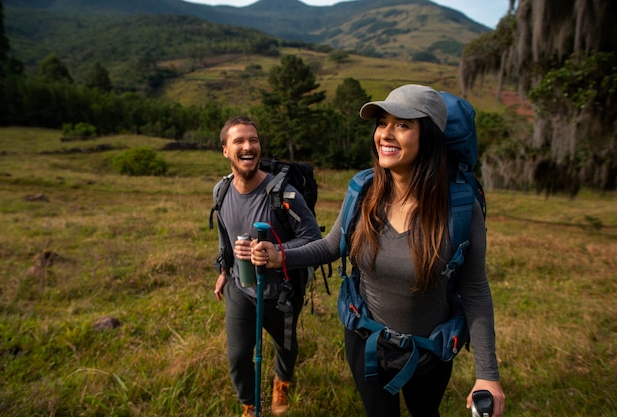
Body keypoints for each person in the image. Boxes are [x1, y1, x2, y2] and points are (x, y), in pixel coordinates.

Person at [251, 85, 505, 416]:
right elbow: (332, 246)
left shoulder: (458, 208)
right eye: (382, 123)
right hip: (365, 338)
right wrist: (280, 256)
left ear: (428, 136)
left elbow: (474, 289)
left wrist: (487, 375)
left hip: (430, 351)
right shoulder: (363, 191)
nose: (386, 134)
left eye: (402, 125)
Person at [212, 115, 322, 417]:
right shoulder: (220, 192)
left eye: (254, 140)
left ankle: (282, 381)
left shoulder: (283, 194)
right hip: (240, 287)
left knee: (285, 346)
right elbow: (225, 234)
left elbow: (313, 239)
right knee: (237, 356)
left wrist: (279, 252)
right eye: (239, 141)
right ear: (225, 150)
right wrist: (224, 271)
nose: (248, 147)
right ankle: (249, 405)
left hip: (282, 292)